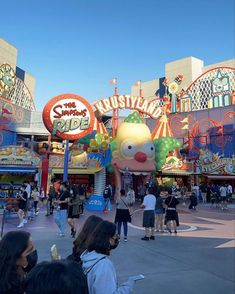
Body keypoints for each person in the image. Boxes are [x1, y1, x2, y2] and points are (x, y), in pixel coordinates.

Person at [81, 220, 135, 294]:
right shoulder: (104, 265)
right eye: (115, 235)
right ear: (109, 239)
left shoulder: (88, 257)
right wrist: (128, 287)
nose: (117, 238)